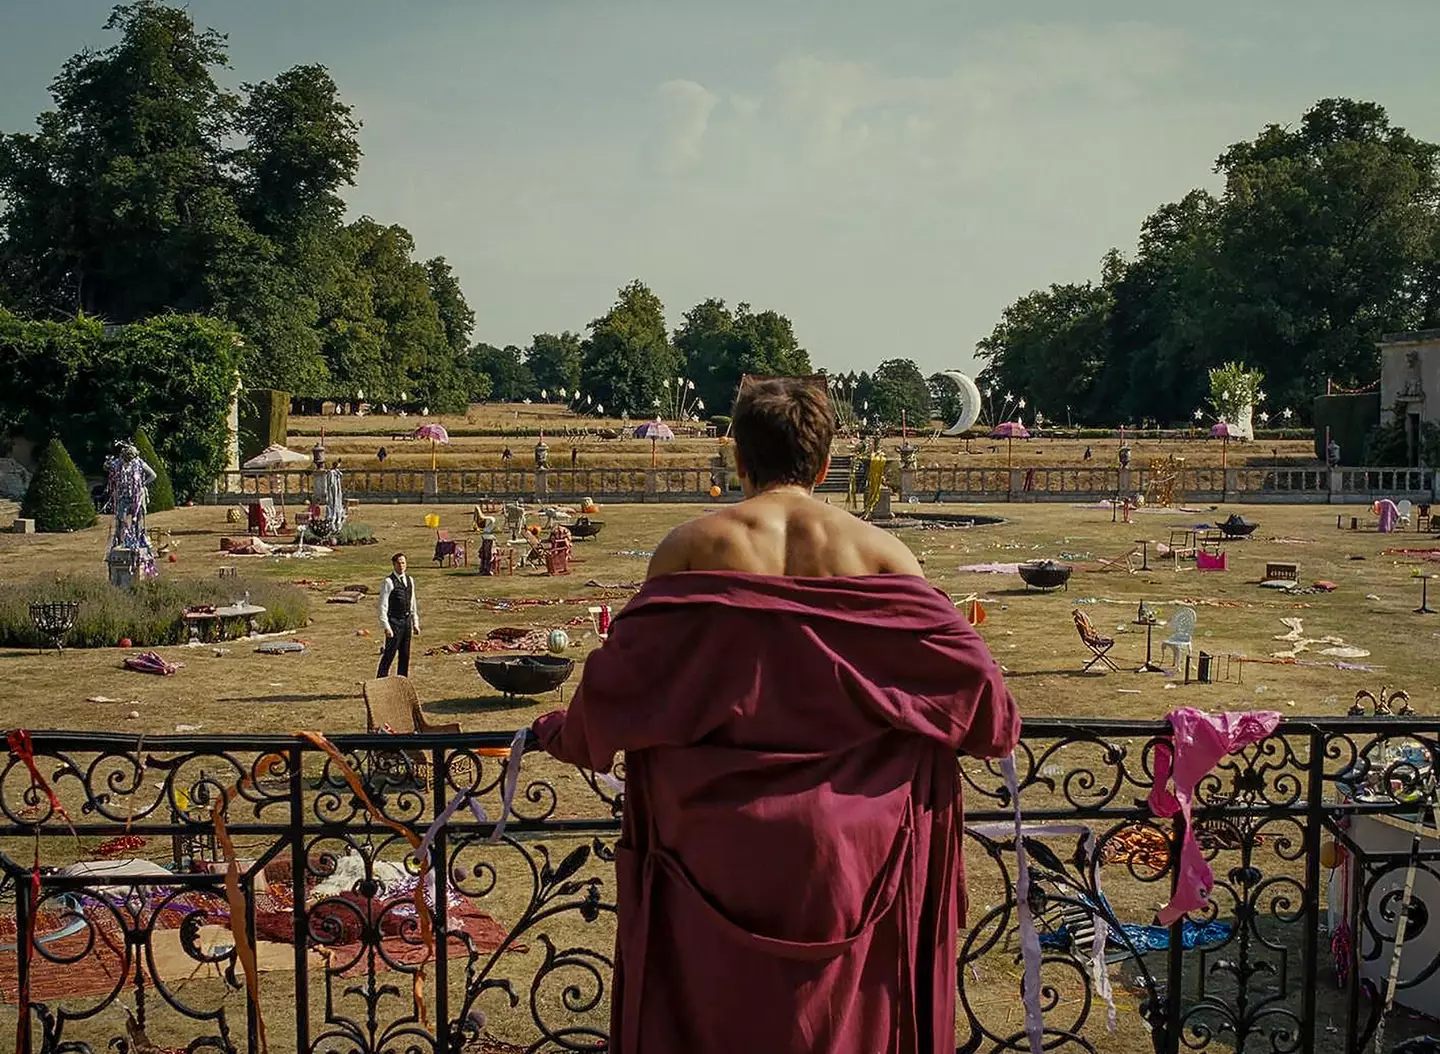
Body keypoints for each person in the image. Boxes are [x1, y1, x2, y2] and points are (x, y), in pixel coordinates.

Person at [532, 376, 1019, 1053]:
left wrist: (557, 733)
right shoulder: (882, 557)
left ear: (738, 460)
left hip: (707, 850)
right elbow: (987, 709)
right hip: (853, 864)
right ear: (825, 465)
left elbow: (617, 692)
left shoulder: (691, 549)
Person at [376, 553, 420, 677]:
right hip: (394, 622)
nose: (401, 566)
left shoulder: (410, 580)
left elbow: (412, 603)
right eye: (399, 563)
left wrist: (415, 623)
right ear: (394, 565)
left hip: (406, 622)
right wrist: (386, 626)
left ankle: (402, 682)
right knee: (389, 654)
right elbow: (382, 606)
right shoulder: (388, 582)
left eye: (403, 563)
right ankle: (380, 681)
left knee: (405, 654)